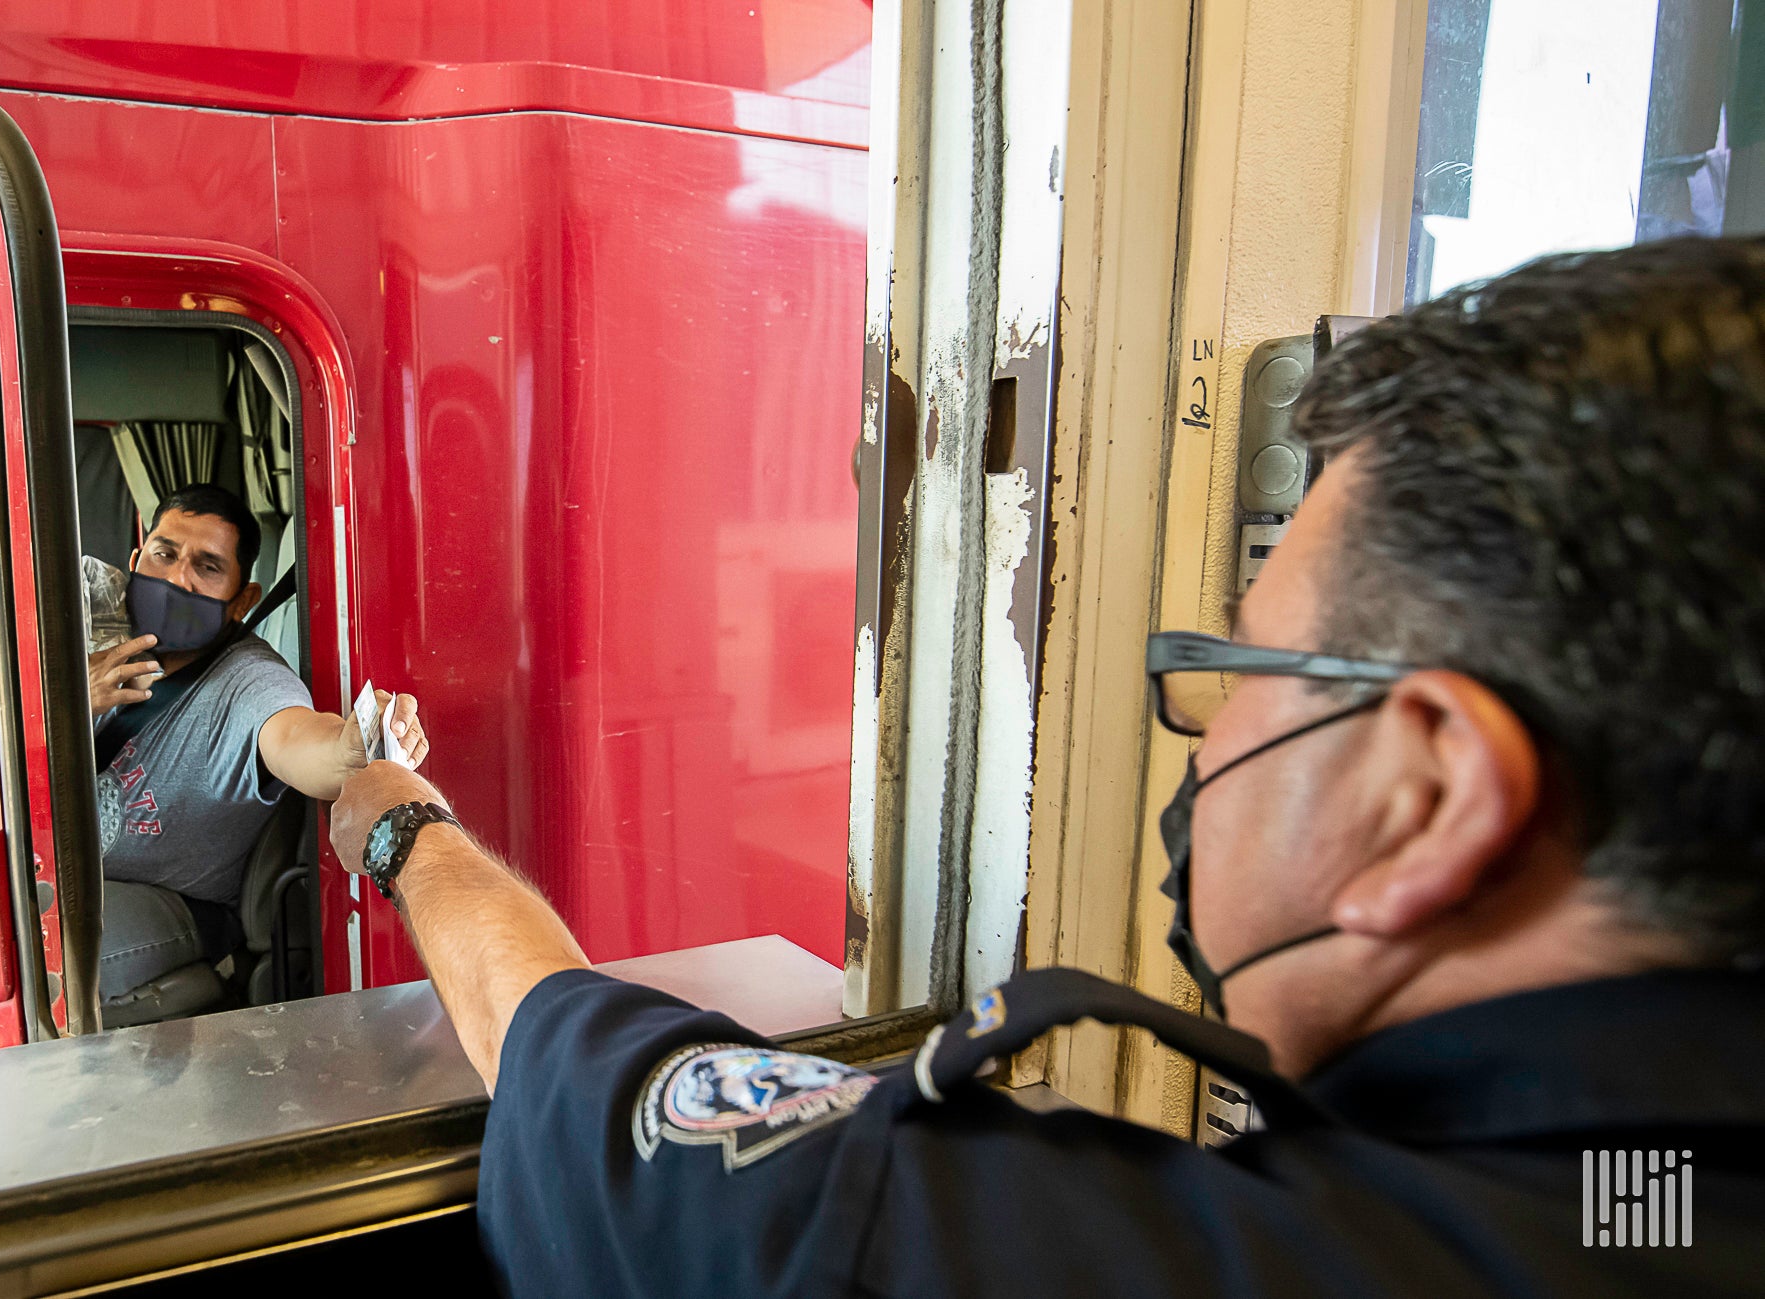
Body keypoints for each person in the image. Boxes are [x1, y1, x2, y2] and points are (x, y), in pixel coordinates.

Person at [326, 238, 1765, 1294]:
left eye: (1252, 670)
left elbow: (546, 1032)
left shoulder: (1017, 1256)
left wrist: (403, 825)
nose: (1204, 728)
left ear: (1425, 794)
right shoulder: (1648, 1196)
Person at [88, 483, 427, 963]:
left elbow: (296, 737)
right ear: (135, 562)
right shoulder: (98, 654)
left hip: (176, 908)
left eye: (207, 567)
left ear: (242, 599)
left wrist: (350, 751)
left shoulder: (250, 681)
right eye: (164, 554)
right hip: (76, 878)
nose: (178, 580)